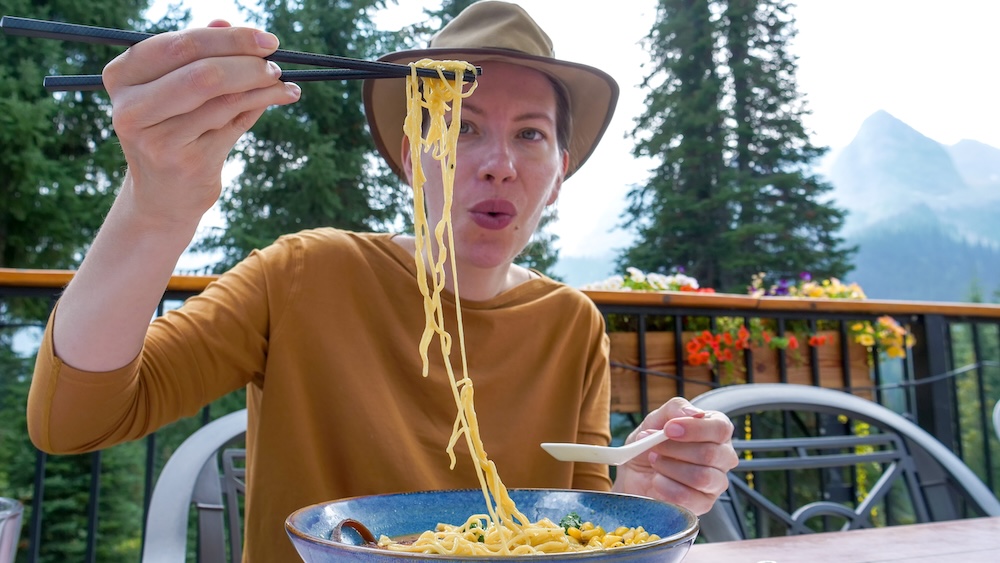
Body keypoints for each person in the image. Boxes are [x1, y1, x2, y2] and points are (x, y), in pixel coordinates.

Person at [27, 1, 738, 560]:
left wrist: (637, 497)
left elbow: (574, 523)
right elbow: (75, 419)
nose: (498, 163)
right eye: (459, 125)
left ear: (559, 176)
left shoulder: (571, 322)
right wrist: (156, 207)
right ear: (409, 156)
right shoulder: (305, 272)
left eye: (530, 134)